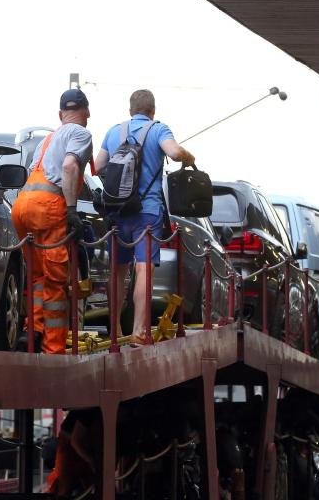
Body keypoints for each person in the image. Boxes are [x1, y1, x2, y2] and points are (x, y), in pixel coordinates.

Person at [94, 89, 194, 345]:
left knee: (117, 272)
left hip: (117, 212)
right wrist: (188, 156)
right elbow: (173, 153)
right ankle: (139, 331)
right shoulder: (159, 130)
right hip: (146, 212)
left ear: (130, 110)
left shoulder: (114, 131)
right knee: (143, 270)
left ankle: (115, 330)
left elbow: (99, 166)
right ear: (153, 111)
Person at [12, 88, 92, 354]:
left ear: (61, 114)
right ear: (87, 112)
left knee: (36, 276)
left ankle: (33, 333)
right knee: (56, 283)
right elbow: (70, 167)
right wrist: (71, 209)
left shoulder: (47, 139)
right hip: (48, 209)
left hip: (22, 207)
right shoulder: (80, 133)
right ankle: (53, 351)